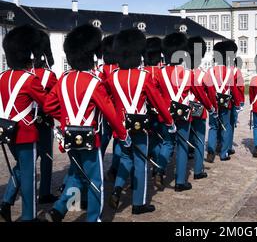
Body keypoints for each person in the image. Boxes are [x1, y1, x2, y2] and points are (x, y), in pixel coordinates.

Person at [43, 24, 131, 223]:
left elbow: (49, 106)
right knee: (95, 181)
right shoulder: (94, 82)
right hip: (90, 138)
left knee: (76, 174)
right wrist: (123, 135)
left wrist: (68, 119)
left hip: (69, 136)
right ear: (92, 54)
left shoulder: (63, 79)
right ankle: (93, 219)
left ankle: (59, 209)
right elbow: (110, 114)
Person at [106, 29, 175, 215]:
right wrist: (169, 121)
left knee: (126, 158)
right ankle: (139, 203)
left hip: (121, 126)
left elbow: (108, 102)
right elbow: (158, 102)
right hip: (140, 125)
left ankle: (117, 189)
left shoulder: (112, 77)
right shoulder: (143, 76)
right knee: (141, 162)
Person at [153, 32, 215, 192]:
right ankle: (180, 181)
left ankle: (159, 169)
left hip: (166, 114)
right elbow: (201, 94)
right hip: (184, 114)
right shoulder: (188, 74)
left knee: (167, 143)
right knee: (182, 146)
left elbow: (155, 94)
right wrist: (210, 107)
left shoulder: (159, 73)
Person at [0, 25, 49, 222]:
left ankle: (6, 202)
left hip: (6, 129)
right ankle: (29, 216)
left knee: (20, 167)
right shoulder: (30, 79)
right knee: (28, 175)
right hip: (25, 132)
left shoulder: (2, 77)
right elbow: (47, 103)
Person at [32, 30, 59, 205]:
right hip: (43, 121)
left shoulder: (25, 72)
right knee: (46, 157)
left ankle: (8, 198)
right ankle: (44, 193)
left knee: (24, 164)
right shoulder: (48, 75)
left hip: (24, 122)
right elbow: (56, 98)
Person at [206, 42, 243, 163]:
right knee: (226, 127)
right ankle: (224, 153)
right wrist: (238, 104)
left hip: (212, 103)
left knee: (213, 127)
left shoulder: (210, 71)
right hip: (226, 103)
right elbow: (234, 90)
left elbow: (207, 89)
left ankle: (211, 151)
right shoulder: (229, 72)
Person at [187, 36, 218, 180]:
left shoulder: (181, 73)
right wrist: (213, 108)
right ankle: (198, 169)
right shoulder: (203, 74)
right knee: (199, 138)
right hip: (199, 107)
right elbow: (211, 94)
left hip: (184, 107)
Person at [98, 34, 121, 182]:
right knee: (119, 141)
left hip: (103, 112)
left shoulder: (100, 69)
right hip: (118, 111)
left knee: (102, 141)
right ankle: (115, 170)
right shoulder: (120, 70)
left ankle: (97, 168)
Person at [144, 37, 166, 168]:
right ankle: (157, 166)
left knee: (150, 136)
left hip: (144, 111)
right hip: (158, 111)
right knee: (158, 138)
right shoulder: (161, 72)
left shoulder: (142, 72)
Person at [228, 45, 245, 156]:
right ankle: (228, 146)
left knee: (221, 124)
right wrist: (241, 101)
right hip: (233, 100)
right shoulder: (236, 71)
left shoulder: (219, 70)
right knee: (231, 124)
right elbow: (240, 87)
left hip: (220, 100)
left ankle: (220, 143)